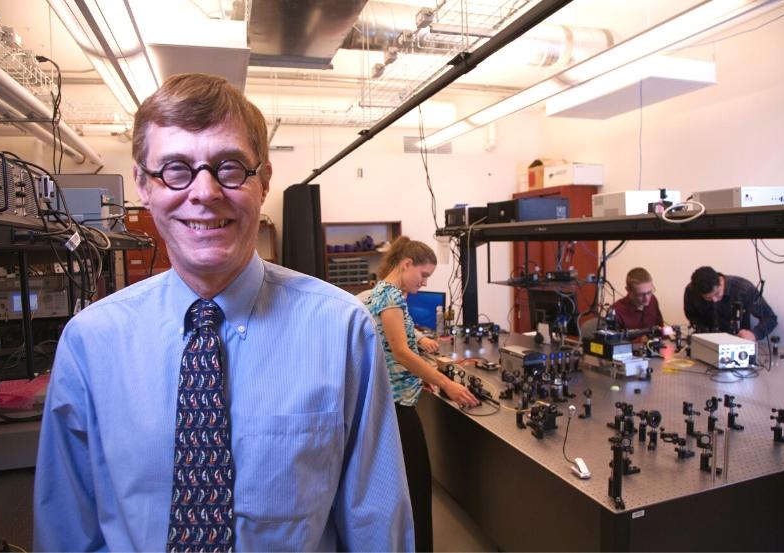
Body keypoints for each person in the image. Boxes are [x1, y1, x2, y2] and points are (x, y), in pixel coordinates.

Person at [34, 73, 413, 552]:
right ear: (143, 185)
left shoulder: (340, 330)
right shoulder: (90, 343)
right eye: (175, 169)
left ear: (264, 181)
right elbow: (67, 532)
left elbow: (375, 521)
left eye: (229, 167)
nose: (205, 192)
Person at [364, 236, 479, 553]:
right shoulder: (390, 296)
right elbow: (401, 352)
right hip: (397, 406)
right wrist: (446, 383)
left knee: (414, 480)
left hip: (398, 398)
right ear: (406, 264)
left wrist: (420, 379)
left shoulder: (386, 292)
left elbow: (395, 347)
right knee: (416, 483)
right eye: (424, 274)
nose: (425, 282)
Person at [684, 266, 778, 341]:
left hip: (738, 344)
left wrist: (755, 334)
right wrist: (701, 330)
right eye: (708, 298)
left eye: (717, 293)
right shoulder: (691, 291)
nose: (714, 300)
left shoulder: (744, 289)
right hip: (705, 345)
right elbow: (692, 316)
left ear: (721, 281)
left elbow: (770, 318)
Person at [612, 267, 666, 332]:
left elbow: (661, 328)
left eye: (649, 292)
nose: (647, 298)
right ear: (628, 290)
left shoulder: (652, 300)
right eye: (641, 294)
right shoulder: (616, 312)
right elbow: (612, 338)